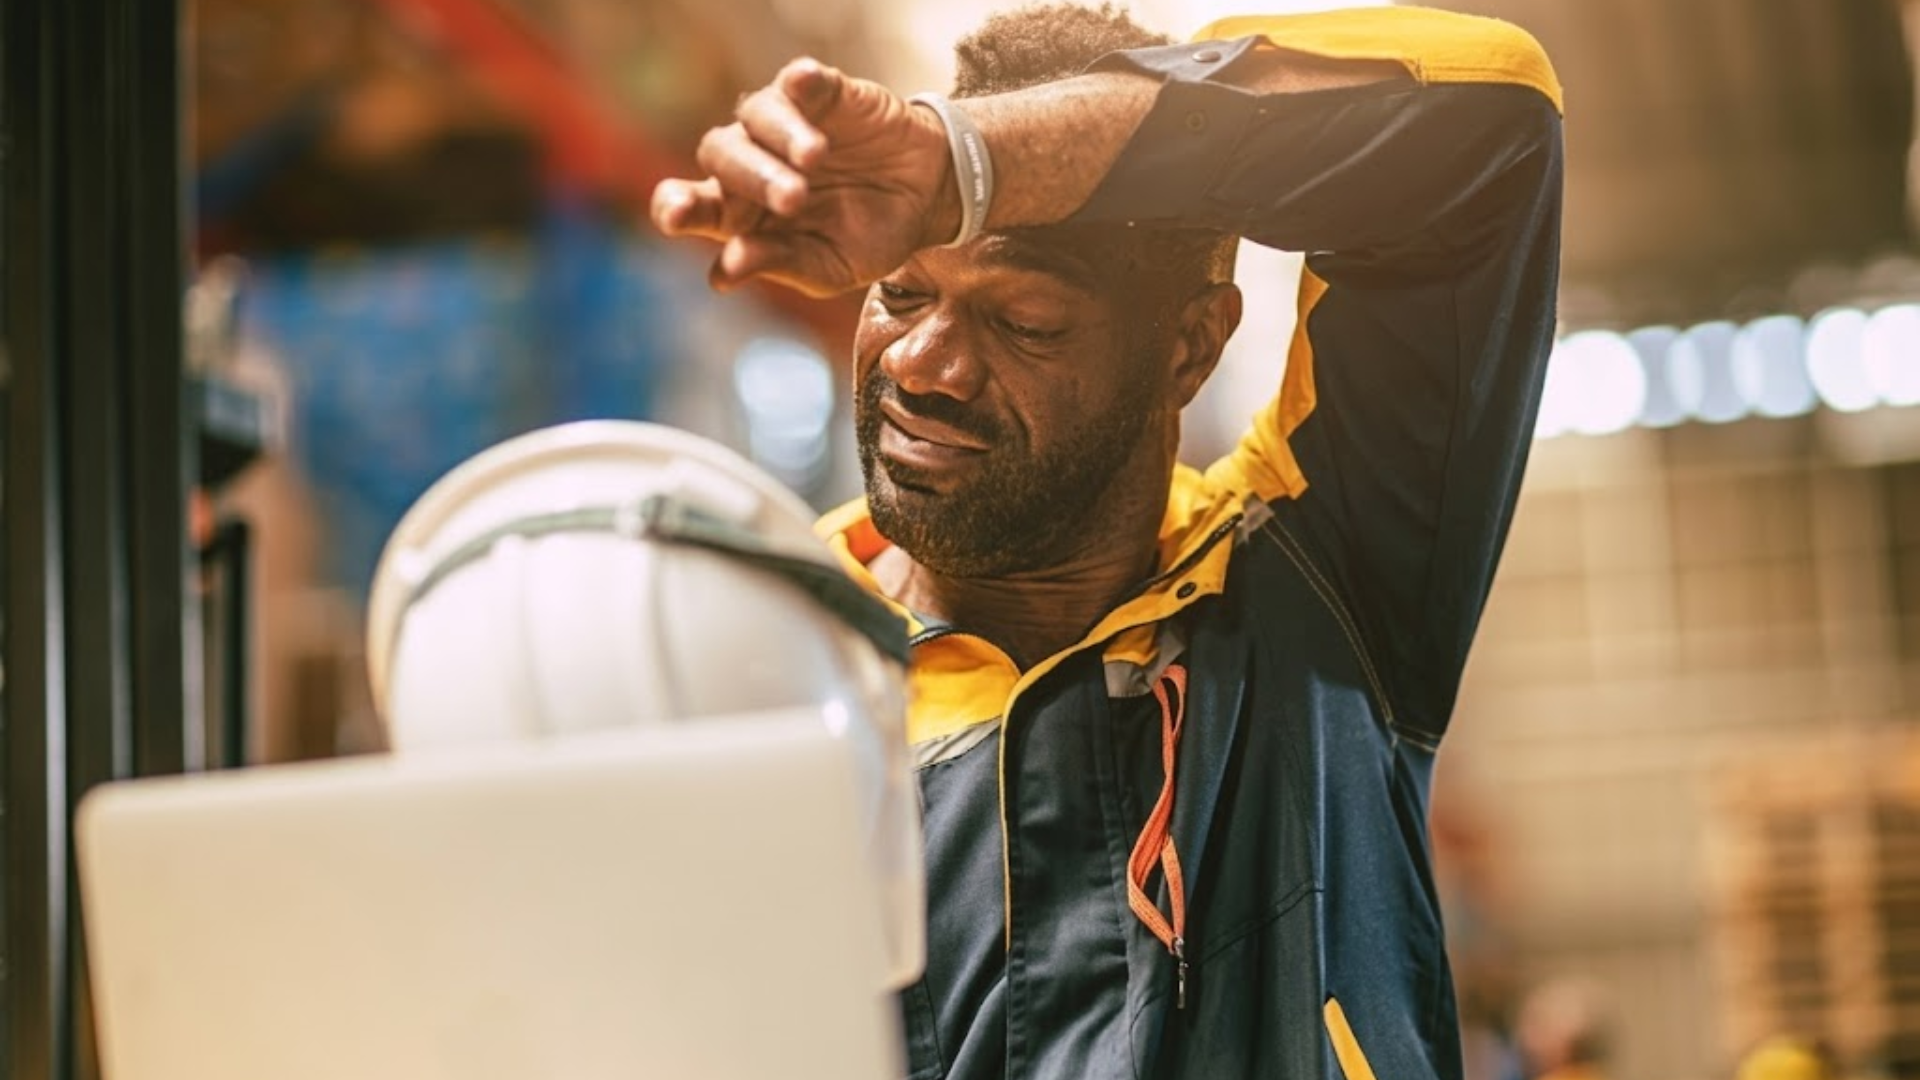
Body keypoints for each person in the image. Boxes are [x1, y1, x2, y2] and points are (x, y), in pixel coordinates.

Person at [651, 4, 1564, 1079]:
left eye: (1024, 322)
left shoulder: (1320, 588)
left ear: (1192, 348)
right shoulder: (764, 676)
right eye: (901, 293)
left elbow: (1492, 123)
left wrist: (972, 166)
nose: (924, 367)